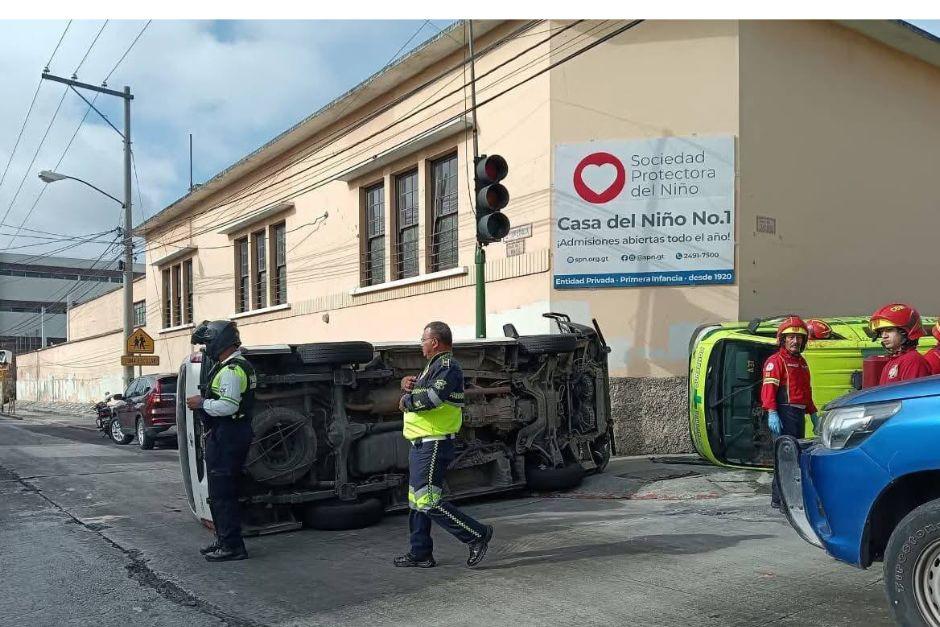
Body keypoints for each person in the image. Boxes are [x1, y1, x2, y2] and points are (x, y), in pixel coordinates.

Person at [394, 321, 493, 569]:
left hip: (434, 442)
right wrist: (409, 383)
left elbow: (433, 399)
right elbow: (424, 390)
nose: (421, 344)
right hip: (421, 443)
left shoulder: (448, 366)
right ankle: (420, 553)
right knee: (416, 501)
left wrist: (406, 400)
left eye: (423, 340)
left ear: (434, 342)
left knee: (427, 499)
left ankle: (476, 535)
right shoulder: (432, 367)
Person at [186, 320, 256, 562]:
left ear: (220, 342)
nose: (206, 348)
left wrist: (200, 403)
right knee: (219, 493)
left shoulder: (232, 370)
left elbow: (228, 406)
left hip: (229, 436)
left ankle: (233, 547)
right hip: (226, 434)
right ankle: (224, 539)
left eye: (208, 343)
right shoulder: (228, 366)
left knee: (223, 493)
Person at [761, 316, 817, 509]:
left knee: (795, 457)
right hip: (783, 414)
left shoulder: (802, 362)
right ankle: (780, 499)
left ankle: (789, 498)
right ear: (782, 339)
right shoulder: (775, 361)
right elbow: (768, 390)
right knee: (785, 457)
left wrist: (813, 414)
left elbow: (806, 392)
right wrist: (772, 412)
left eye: (799, 337)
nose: (795, 341)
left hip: (798, 415)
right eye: (791, 337)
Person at [869, 304, 931, 385]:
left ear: (905, 332)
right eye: (881, 332)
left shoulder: (913, 361)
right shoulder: (893, 361)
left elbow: (912, 395)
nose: (884, 336)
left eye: (889, 330)